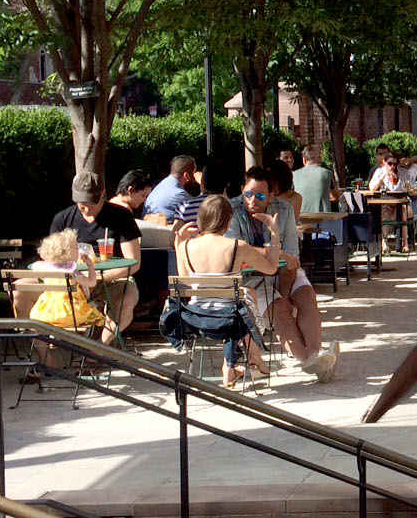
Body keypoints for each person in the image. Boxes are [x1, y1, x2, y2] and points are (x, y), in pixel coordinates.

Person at [230, 165, 337, 380]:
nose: (252, 200)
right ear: (242, 191)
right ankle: (310, 361)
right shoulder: (232, 210)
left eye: (260, 196)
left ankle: (314, 356)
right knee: (279, 310)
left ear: (271, 195)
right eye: (248, 194)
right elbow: (234, 251)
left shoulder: (284, 209)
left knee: (306, 297)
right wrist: (271, 253)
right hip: (252, 279)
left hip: (284, 272)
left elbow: (291, 258)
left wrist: (285, 293)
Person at [169, 194, 280, 386]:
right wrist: (275, 234)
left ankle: (243, 364)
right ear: (228, 221)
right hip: (229, 320)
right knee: (245, 301)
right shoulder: (237, 246)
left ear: (201, 219)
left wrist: (178, 244)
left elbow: (185, 281)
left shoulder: (186, 246)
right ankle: (244, 362)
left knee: (243, 298)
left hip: (195, 318)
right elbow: (271, 268)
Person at [48, 171, 141, 332]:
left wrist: (98, 278)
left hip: (113, 278)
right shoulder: (63, 219)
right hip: (73, 278)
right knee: (21, 290)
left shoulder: (121, 216)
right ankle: (45, 342)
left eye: (92, 202)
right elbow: (51, 259)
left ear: (103, 195)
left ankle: (101, 346)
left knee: (126, 299)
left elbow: (134, 263)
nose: (86, 208)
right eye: (81, 203)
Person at [27, 230, 117, 344]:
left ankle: (55, 336)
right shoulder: (72, 271)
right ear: (66, 252)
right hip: (71, 314)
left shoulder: (43, 267)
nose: (78, 250)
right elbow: (92, 283)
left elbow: (35, 266)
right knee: (96, 311)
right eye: (76, 248)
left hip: (45, 313)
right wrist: (90, 266)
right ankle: (81, 344)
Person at [144, 156, 198, 224]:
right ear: (186, 175)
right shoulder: (180, 194)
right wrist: (202, 184)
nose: (195, 178)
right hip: (163, 229)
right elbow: (202, 211)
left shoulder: (161, 186)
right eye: (194, 173)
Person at [292, 146, 338, 218]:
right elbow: (335, 196)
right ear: (320, 158)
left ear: (304, 160)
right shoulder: (327, 173)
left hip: (300, 218)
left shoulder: (294, 175)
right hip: (322, 218)